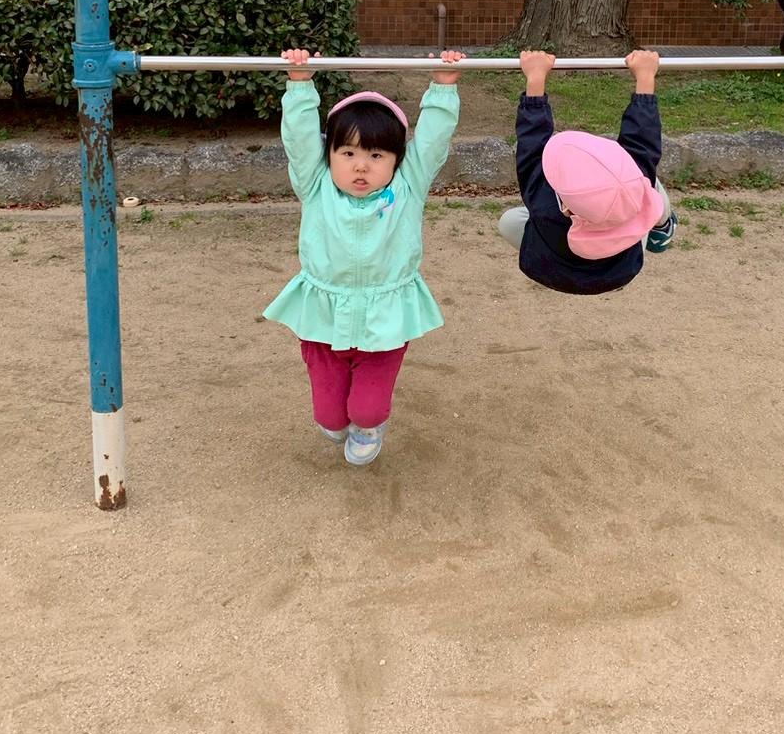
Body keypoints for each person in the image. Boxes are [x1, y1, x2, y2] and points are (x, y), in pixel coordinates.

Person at [264, 48, 464, 467]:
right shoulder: (315, 185)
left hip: (385, 316)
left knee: (366, 411)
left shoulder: (407, 188)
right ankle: (344, 418)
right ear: (329, 155)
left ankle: (370, 424)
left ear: (396, 161)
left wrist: (443, 88)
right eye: (349, 154)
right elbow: (299, 142)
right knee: (330, 420)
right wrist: (300, 85)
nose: (361, 168)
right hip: (324, 315)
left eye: (376, 156)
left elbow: (430, 144)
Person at [498, 49, 676, 295]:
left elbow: (532, 144)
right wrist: (645, 76)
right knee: (647, 184)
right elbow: (643, 143)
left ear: (567, 208)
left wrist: (535, 78)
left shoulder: (545, 204)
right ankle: (662, 225)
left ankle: (657, 228)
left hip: (551, 269)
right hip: (617, 273)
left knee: (508, 222)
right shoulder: (633, 181)